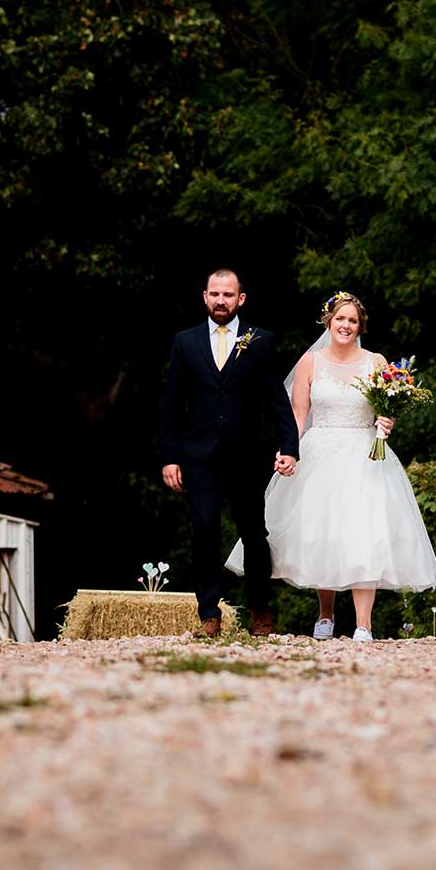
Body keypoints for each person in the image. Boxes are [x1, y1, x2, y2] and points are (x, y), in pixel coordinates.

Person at [226, 292, 436, 641]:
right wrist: (288, 451)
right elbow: (297, 416)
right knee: (325, 532)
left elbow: (384, 410)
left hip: (365, 456)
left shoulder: (376, 362)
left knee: (364, 533)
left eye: (352, 321)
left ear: (360, 326)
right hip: (320, 453)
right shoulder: (311, 362)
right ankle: (325, 615)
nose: (346, 325)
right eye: (340, 319)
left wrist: (387, 422)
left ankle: (363, 625)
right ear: (329, 322)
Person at [160, 269, 301, 637]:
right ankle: (209, 613)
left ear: (241, 299)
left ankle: (259, 612)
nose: (221, 300)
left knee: (254, 534)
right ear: (204, 296)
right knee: (204, 530)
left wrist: (290, 446)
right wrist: (170, 456)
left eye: (228, 294)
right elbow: (172, 405)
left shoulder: (260, 341)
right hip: (199, 457)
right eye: (214, 294)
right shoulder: (185, 342)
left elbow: (276, 399)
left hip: (247, 456)